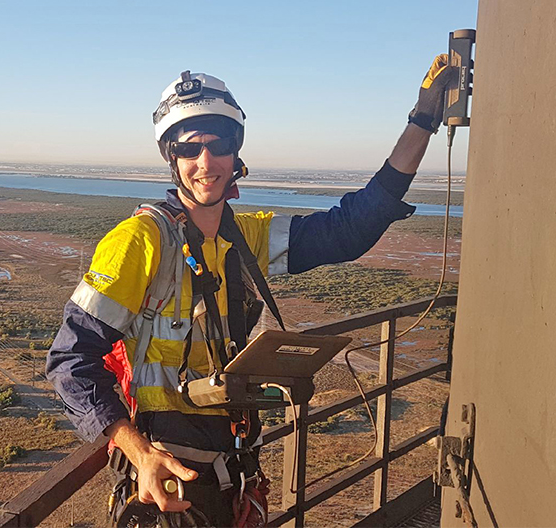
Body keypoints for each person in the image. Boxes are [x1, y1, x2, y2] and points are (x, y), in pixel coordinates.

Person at [46, 57, 455, 527]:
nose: (205, 163)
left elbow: (350, 229)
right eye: (188, 148)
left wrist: (422, 121)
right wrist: (138, 453)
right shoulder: (140, 242)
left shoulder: (245, 238)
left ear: (235, 153)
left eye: (218, 145)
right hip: (166, 482)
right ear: (171, 158)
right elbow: (70, 360)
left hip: (234, 471)